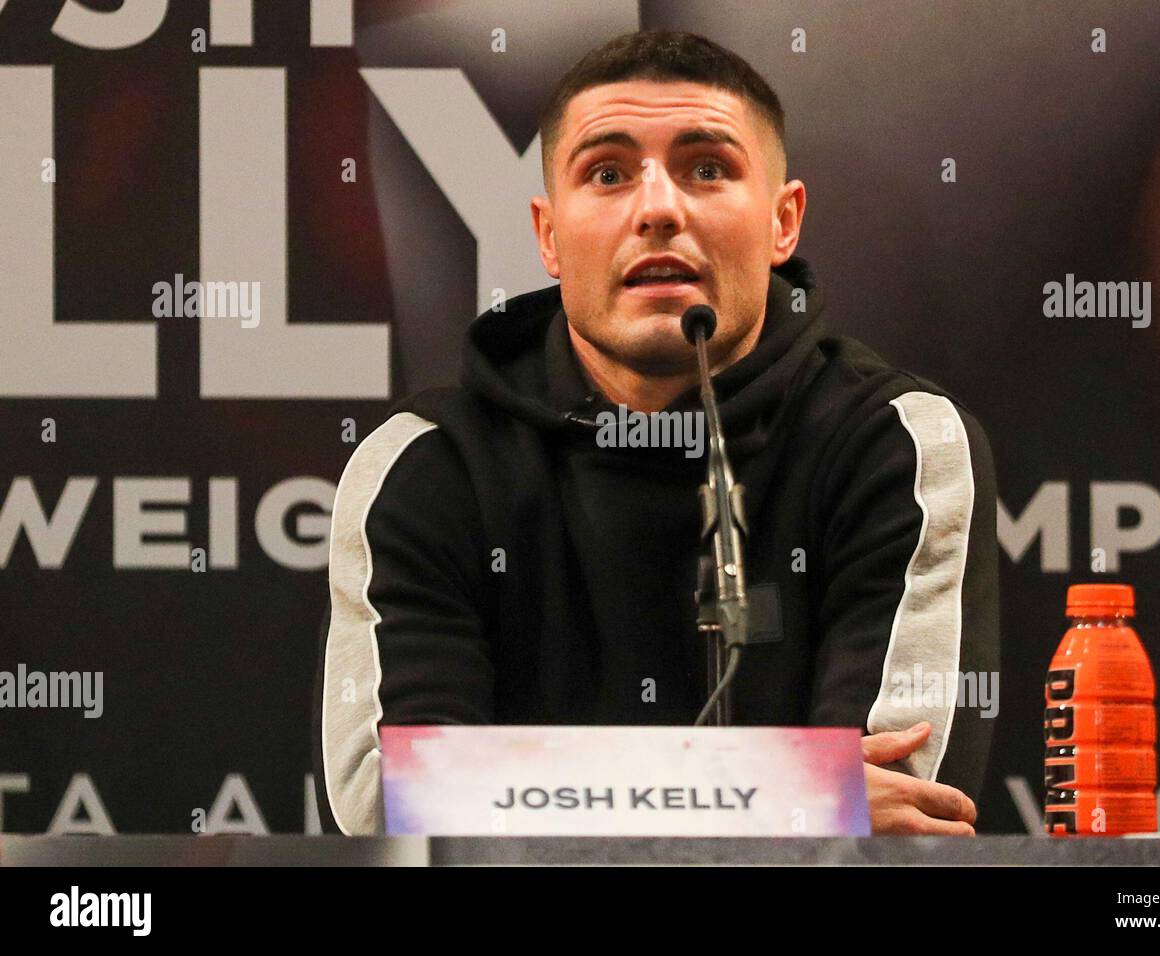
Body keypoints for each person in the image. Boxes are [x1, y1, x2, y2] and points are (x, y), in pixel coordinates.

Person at [314, 30, 999, 837]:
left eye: (707, 168)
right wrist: (786, 798)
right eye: (607, 173)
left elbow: (902, 809)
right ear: (547, 236)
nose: (660, 209)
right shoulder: (422, 463)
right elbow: (392, 802)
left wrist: (543, 796)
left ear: (785, 223)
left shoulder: (898, 443)